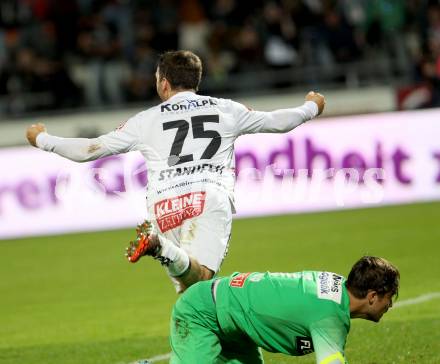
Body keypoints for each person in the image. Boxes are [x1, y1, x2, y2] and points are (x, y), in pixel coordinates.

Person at [26, 50, 325, 293]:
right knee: (203, 278)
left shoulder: (145, 120)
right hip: (206, 197)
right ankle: (159, 249)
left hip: (163, 205)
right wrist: (311, 107)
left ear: (165, 83)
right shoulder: (226, 109)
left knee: (189, 290)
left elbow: (90, 149)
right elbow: (277, 121)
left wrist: (42, 139)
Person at [170, 256, 400, 363]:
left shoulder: (337, 286)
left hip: (236, 327)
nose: (390, 305)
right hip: (202, 313)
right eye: (389, 298)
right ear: (372, 296)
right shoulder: (330, 317)